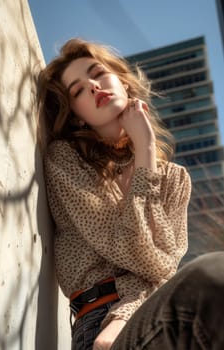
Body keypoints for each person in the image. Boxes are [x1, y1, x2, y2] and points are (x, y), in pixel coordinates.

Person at [37, 38, 224, 350]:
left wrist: (146, 151)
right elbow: (131, 249)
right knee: (212, 274)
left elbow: (163, 265)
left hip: (151, 314)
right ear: (77, 115)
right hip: (98, 320)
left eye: (97, 73)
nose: (94, 87)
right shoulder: (67, 161)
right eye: (79, 90)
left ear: (123, 83)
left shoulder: (175, 179)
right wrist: (146, 155)